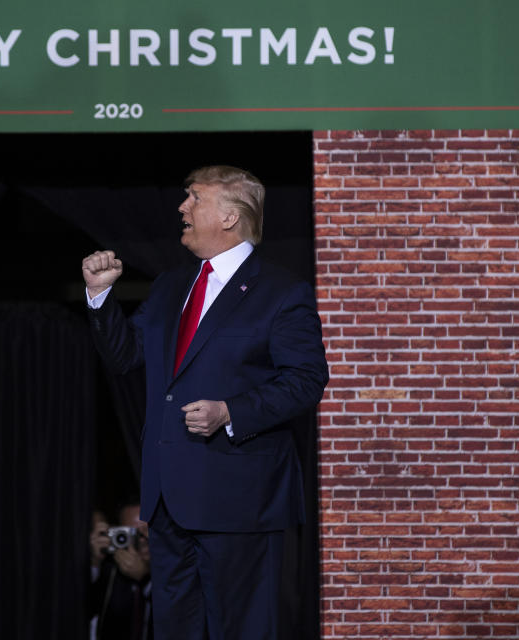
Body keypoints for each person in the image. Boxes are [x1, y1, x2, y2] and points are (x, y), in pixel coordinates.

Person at [81, 165, 329, 639]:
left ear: (231, 217)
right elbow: (125, 356)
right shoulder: (171, 285)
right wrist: (99, 296)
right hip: (170, 501)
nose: (182, 207)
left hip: (241, 500)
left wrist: (231, 411)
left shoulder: (281, 292)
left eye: (194, 198)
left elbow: (307, 379)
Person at [88, 503, 153, 640]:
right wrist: (94, 561)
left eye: (147, 530)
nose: (141, 540)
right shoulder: (110, 570)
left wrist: (145, 578)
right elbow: (84, 607)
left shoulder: (175, 570)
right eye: (132, 532)